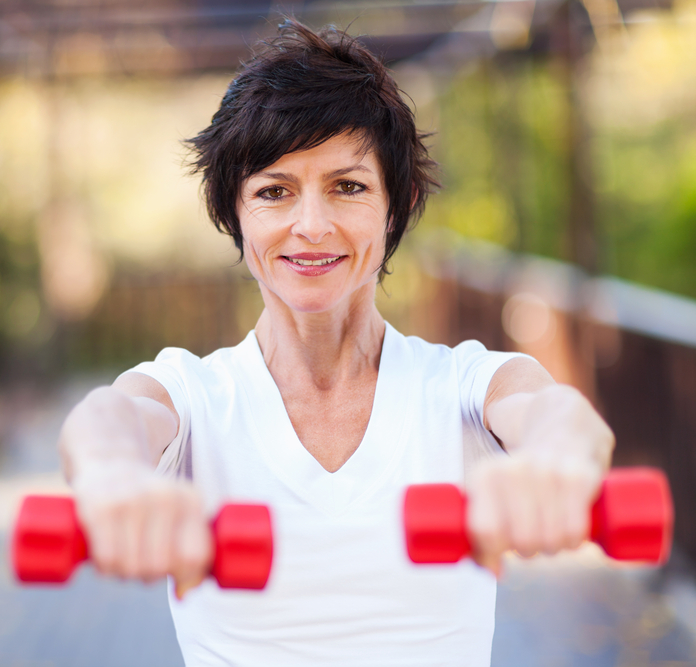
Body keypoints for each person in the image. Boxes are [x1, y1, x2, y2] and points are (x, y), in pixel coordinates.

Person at [57, 19, 614, 666]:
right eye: (274, 191)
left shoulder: (461, 386)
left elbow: (557, 415)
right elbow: (108, 419)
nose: (312, 226)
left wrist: (556, 464)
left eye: (347, 186)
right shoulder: (194, 396)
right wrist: (113, 477)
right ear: (232, 214)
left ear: (397, 203)